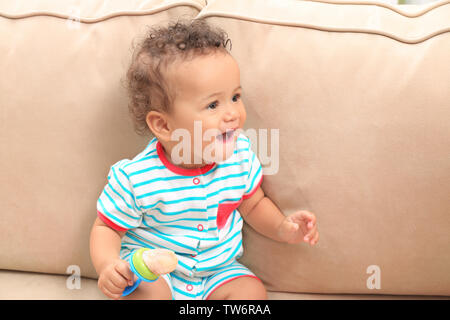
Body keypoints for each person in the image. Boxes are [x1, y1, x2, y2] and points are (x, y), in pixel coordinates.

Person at [90, 18, 319, 300]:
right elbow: (107, 227)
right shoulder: (136, 178)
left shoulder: (240, 156)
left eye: (235, 97)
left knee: (252, 294)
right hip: (156, 271)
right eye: (213, 104)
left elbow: (253, 204)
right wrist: (108, 265)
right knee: (150, 295)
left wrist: (284, 228)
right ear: (163, 126)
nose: (233, 113)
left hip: (218, 271)